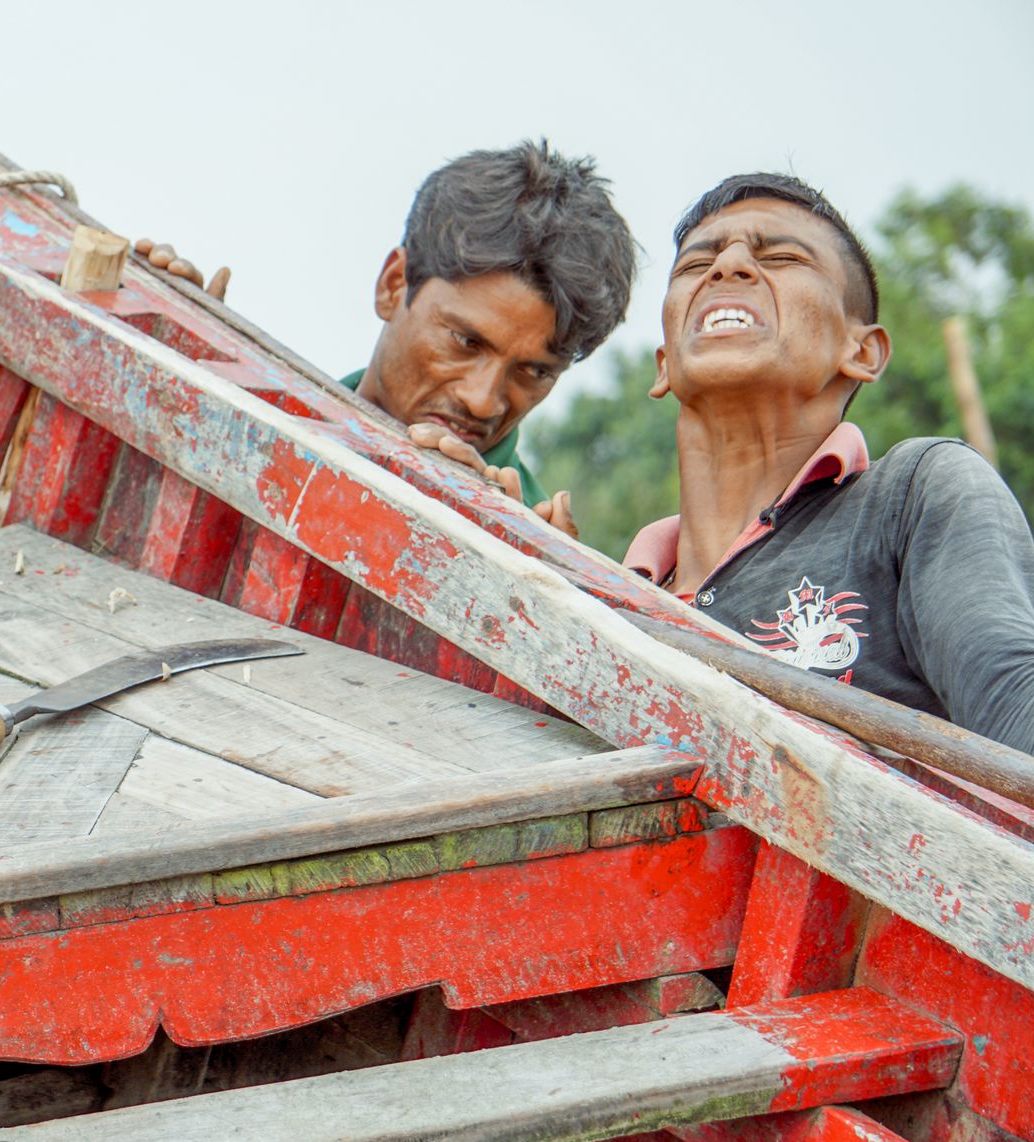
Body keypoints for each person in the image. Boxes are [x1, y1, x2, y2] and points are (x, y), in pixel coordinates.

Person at [625, 173, 1034, 751]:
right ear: (664, 364)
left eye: (783, 256)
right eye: (696, 265)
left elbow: (1013, 699)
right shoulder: (613, 594)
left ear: (862, 351)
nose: (728, 267)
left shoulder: (915, 494)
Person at [137, 141, 638, 532]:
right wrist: (167, 377)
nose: (483, 403)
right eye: (466, 342)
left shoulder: (539, 547)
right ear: (394, 284)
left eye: (535, 371)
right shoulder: (248, 410)